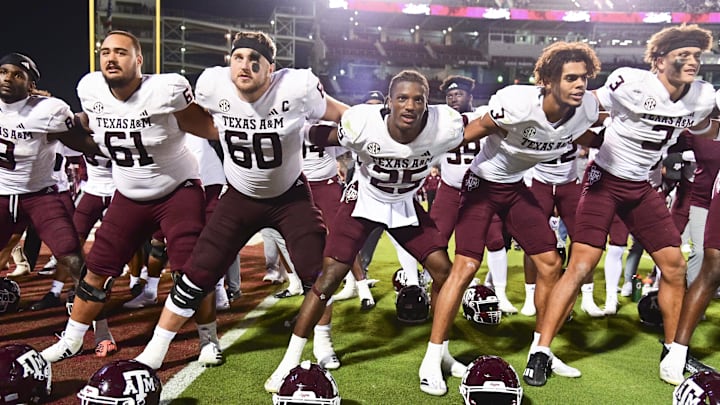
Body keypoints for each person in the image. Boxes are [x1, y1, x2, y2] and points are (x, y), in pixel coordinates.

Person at [131, 30, 348, 371]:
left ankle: (323, 343)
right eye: (238, 57)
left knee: (315, 274)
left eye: (254, 59)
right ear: (229, 62)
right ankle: (156, 350)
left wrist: (372, 124)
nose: (244, 65)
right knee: (195, 273)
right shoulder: (213, 86)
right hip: (239, 195)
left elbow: (338, 113)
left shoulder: (297, 86)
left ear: (271, 68)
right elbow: (195, 120)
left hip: (290, 196)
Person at [527, 24, 717, 387]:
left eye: (697, 55)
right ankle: (541, 350)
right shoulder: (629, 83)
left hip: (642, 187)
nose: (693, 61)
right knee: (582, 264)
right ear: (659, 61)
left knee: (674, 266)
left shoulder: (702, 95)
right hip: (606, 180)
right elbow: (587, 101)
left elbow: (707, 126)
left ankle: (674, 351)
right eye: (684, 55)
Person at [265, 69, 466, 396]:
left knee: (446, 273)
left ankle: (438, 353)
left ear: (428, 104)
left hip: (404, 204)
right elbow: (319, 136)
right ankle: (289, 360)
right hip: (365, 201)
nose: (410, 106)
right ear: (389, 102)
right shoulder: (362, 123)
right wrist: (291, 127)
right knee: (328, 279)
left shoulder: (445, 126)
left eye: (418, 99)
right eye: (402, 98)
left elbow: (481, 126)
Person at [40, 30, 222, 367]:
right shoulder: (90, 89)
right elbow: (90, 135)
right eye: (105, 51)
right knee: (96, 271)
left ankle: (208, 339)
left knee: (192, 272)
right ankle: (72, 338)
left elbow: (210, 128)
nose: (111, 58)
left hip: (177, 190)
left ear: (139, 60)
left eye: (121, 52)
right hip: (128, 192)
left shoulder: (165, 90)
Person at [430, 41, 603, 392]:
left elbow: (581, 134)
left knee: (552, 264)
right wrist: (415, 153)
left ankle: (542, 349)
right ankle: (434, 356)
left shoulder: (584, 109)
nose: (580, 85)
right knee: (463, 267)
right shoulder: (519, 103)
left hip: (516, 189)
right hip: (482, 184)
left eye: (584, 78)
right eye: (571, 78)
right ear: (548, 80)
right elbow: (467, 133)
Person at [0, 52, 88, 308]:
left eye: (18, 74)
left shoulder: (47, 110)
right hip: (3, 193)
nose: (8, 78)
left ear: (31, 84)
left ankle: (96, 325)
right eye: (4, 72)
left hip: (41, 194)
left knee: (71, 254)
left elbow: (82, 137)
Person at [431, 74, 517, 314]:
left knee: (496, 241)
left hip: (480, 190)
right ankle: (439, 282)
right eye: (449, 95)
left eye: (458, 94)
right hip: (449, 190)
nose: (453, 99)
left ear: (470, 96)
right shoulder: (439, 118)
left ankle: (499, 292)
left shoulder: (484, 114)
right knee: (435, 241)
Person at [660, 93, 720, 385]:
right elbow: (673, 145)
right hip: (704, 198)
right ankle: (676, 352)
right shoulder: (703, 124)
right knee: (709, 264)